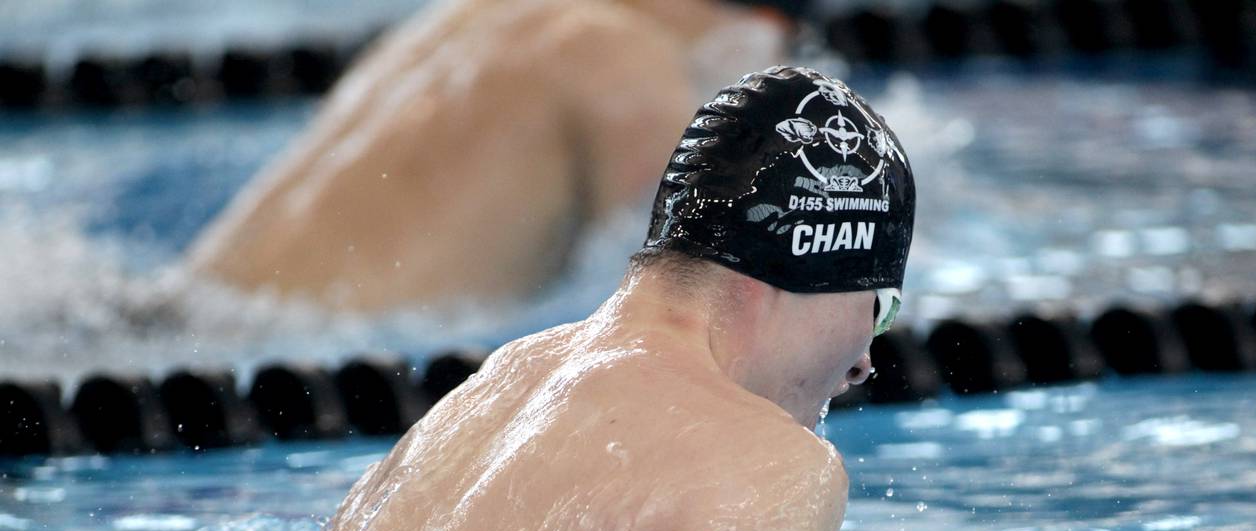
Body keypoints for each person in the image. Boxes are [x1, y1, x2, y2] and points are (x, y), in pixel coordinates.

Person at [213, 65, 914, 531]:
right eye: (883, 307)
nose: (864, 362)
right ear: (821, 261)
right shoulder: (778, 470)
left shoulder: (502, 380)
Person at [186, 0, 801, 311]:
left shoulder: (468, 14)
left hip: (195, 309)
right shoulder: (634, 77)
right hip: (311, 338)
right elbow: (680, 309)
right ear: (766, 29)